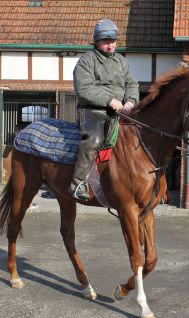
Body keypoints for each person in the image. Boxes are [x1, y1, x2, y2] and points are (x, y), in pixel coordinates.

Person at [68, 19, 139, 201]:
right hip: (92, 112)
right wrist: (109, 100)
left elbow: (132, 84)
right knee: (94, 140)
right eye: (106, 42)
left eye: (113, 41)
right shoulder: (86, 61)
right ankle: (78, 183)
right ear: (96, 41)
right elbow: (84, 89)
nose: (110, 45)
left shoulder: (122, 62)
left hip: (120, 111)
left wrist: (130, 100)